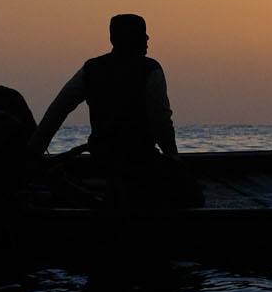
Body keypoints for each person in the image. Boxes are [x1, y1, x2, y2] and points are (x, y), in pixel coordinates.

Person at [31, 13, 195, 206]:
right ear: (134, 38)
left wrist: (33, 153)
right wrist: (173, 158)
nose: (148, 38)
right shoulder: (150, 69)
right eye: (143, 33)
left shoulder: (91, 69)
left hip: (102, 158)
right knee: (192, 196)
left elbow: (58, 111)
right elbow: (161, 122)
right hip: (139, 160)